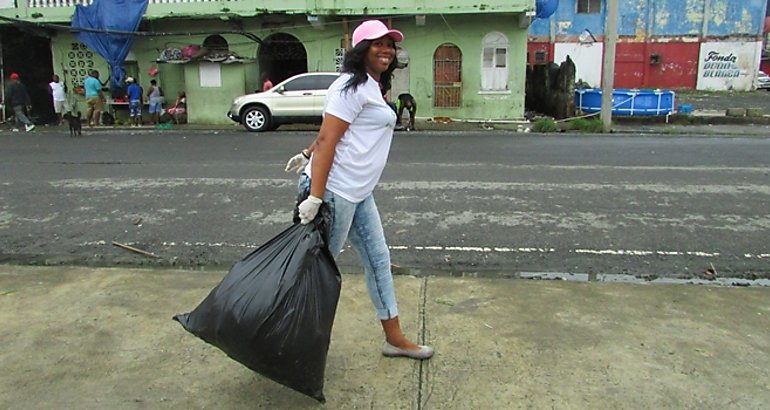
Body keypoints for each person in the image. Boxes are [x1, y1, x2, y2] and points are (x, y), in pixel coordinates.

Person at [284, 19, 434, 360]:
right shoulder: (350, 86)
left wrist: (307, 152)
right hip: (334, 192)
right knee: (316, 271)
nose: (386, 50)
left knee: (378, 261)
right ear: (360, 49)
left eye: (390, 44)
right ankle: (288, 341)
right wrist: (315, 197)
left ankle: (394, 339)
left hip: (357, 193)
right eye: (377, 43)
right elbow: (329, 139)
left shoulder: (370, 87)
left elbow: (336, 131)